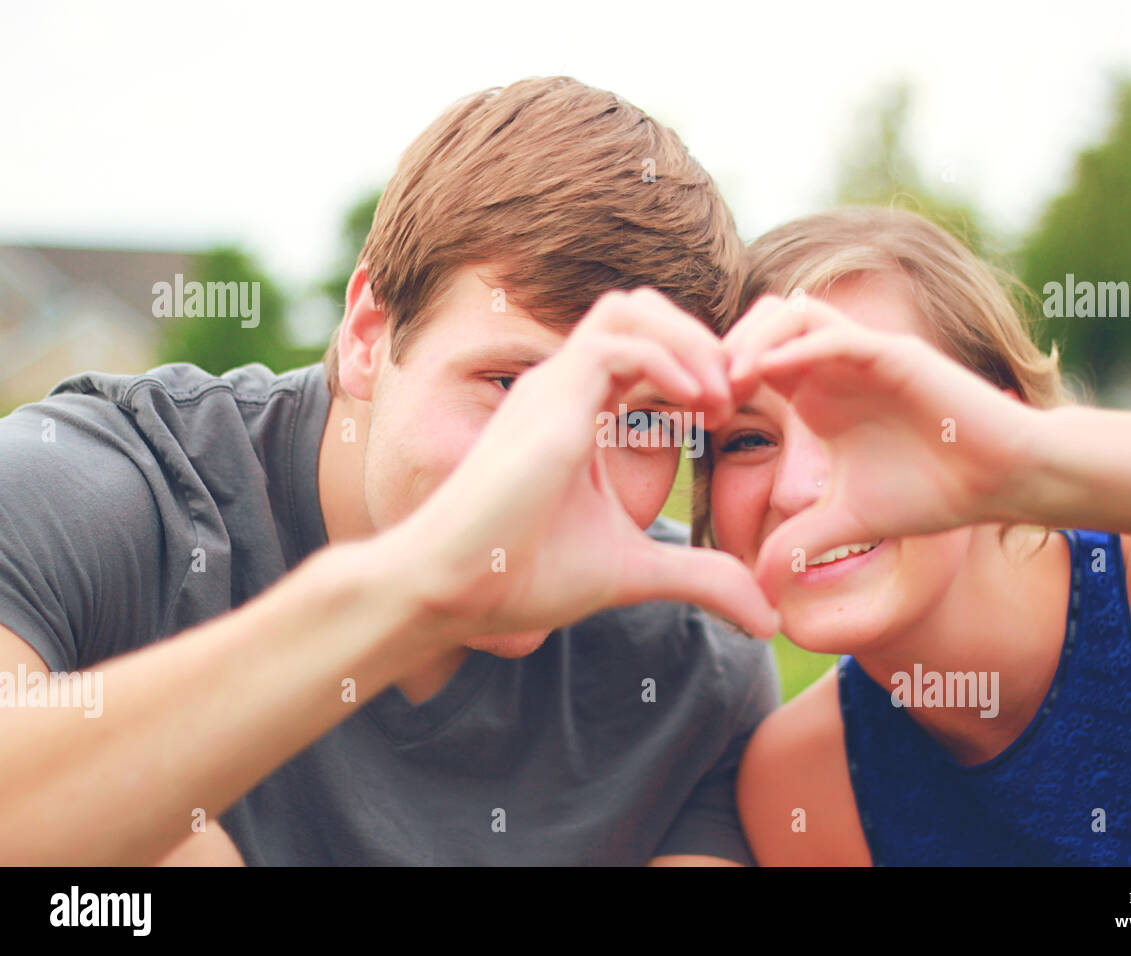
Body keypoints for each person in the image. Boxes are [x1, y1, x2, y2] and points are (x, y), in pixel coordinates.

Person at [0, 77, 781, 866]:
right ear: (370, 333)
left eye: (643, 422)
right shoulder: (89, 492)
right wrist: (405, 592)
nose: (564, 472)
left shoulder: (691, 665)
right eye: (513, 388)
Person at [702, 206, 1131, 865]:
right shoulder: (801, 783)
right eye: (748, 439)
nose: (795, 487)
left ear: (994, 419)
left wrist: (1032, 458)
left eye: (861, 415)